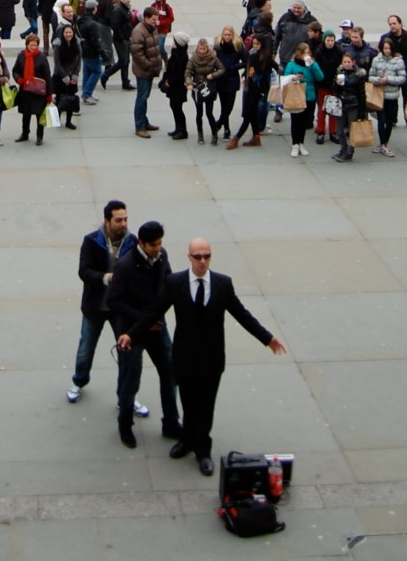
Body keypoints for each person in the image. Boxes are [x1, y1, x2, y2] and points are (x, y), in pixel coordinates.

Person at [119, 237, 287, 474]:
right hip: (184, 357)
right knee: (188, 402)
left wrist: (267, 338)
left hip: (211, 358)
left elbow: (242, 314)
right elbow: (153, 312)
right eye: (197, 256)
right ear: (189, 257)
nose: (202, 261)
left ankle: (203, 450)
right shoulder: (175, 282)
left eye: (206, 256)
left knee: (206, 406)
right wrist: (131, 335)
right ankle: (187, 440)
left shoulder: (222, 284)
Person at [105, 220, 183, 450]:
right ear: (141, 243)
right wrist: (144, 320)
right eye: (153, 245)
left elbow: (166, 287)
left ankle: (171, 422)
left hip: (156, 326)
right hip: (132, 331)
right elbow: (113, 300)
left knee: (170, 373)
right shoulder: (126, 266)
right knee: (131, 379)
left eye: (159, 243)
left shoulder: (162, 257)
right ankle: (125, 424)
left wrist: (157, 316)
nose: (157, 248)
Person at [66, 200, 145, 413]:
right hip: (95, 306)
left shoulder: (133, 242)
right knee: (86, 349)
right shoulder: (92, 241)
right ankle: (79, 381)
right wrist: (105, 277)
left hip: (120, 309)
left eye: (126, 219)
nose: (123, 224)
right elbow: (84, 271)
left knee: (125, 354)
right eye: (118, 220)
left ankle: (126, 397)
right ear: (107, 221)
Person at [283, 42, 323, 157]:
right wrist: (295, 78)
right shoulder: (292, 64)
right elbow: (286, 78)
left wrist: (313, 65)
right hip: (296, 95)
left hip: (308, 96)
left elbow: (320, 77)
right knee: (296, 121)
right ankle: (295, 144)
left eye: (308, 53)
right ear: (299, 53)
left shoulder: (311, 64)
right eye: (304, 53)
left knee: (304, 122)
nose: (306, 55)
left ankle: (301, 143)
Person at [368, 37, 406, 157]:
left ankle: (384, 143)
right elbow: (370, 76)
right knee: (381, 120)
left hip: (392, 96)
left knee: (389, 121)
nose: (387, 50)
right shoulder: (376, 60)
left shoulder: (398, 61)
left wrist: (388, 79)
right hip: (380, 95)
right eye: (385, 48)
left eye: (389, 48)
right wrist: (378, 80)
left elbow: (402, 78)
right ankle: (382, 144)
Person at [12, 34, 51, 145]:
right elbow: (15, 70)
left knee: (39, 114)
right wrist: (18, 79)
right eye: (31, 45)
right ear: (27, 45)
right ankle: (25, 133)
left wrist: (49, 93)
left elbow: (48, 76)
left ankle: (39, 136)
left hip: (39, 91)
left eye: (35, 45)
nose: (33, 47)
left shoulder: (42, 57)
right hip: (25, 90)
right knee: (26, 113)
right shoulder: (21, 56)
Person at [130, 6, 163, 139]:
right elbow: (137, 53)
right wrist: (149, 65)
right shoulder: (139, 31)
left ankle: (144, 121)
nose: (156, 22)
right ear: (146, 18)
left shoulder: (151, 28)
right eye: (154, 19)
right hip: (144, 70)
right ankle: (139, 126)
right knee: (142, 97)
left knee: (145, 96)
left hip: (150, 69)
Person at [186, 39, 224, 145]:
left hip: (209, 88)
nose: (202, 51)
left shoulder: (213, 57)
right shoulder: (193, 59)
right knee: (199, 113)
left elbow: (221, 69)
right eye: (200, 48)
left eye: (204, 48)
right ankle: (200, 135)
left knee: (209, 113)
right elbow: (188, 72)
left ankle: (214, 134)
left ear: (207, 48)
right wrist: (189, 83)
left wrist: (213, 75)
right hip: (198, 88)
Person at [332, 50, 367, 163]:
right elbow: (334, 89)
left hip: (353, 104)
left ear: (353, 62)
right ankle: (343, 148)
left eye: (348, 62)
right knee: (339, 130)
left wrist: (362, 111)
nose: (346, 64)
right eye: (344, 62)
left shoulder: (358, 74)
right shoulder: (339, 71)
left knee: (352, 130)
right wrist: (336, 84)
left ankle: (350, 152)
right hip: (341, 104)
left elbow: (362, 94)